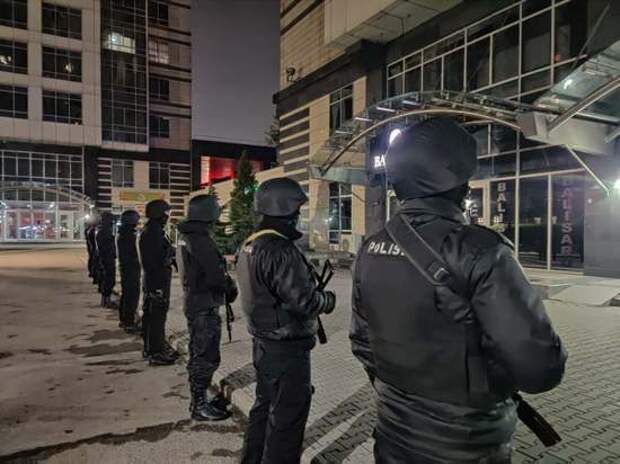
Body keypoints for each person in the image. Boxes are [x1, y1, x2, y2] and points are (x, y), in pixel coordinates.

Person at [350, 117, 567, 463]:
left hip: (393, 436)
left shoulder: (369, 249)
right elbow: (540, 368)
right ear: (460, 186)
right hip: (466, 445)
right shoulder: (480, 251)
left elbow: (362, 343)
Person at [237, 177, 337, 464]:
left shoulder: (251, 243)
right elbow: (305, 302)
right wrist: (327, 300)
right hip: (286, 348)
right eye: (296, 209)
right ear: (285, 209)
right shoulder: (280, 249)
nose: (298, 216)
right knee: (287, 420)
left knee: (263, 409)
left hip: (263, 343)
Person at [177, 194, 238, 421]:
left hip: (196, 302)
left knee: (199, 353)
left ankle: (199, 399)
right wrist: (229, 288)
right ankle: (199, 405)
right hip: (204, 305)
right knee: (205, 356)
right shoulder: (199, 239)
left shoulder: (189, 236)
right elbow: (214, 276)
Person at [139, 199, 177, 366]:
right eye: (165, 213)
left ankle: (152, 348)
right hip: (157, 282)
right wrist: (170, 256)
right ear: (158, 214)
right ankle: (156, 353)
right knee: (156, 318)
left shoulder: (153, 231)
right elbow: (156, 260)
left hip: (153, 281)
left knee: (151, 316)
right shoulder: (153, 234)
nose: (167, 217)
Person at [117, 209, 141, 334]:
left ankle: (124, 319)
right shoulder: (129, 235)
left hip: (126, 268)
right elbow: (133, 254)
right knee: (131, 296)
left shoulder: (123, 233)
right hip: (131, 269)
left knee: (126, 294)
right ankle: (129, 323)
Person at [95, 211, 116, 308]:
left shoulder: (103, 231)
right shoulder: (105, 232)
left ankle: (105, 300)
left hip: (105, 258)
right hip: (107, 258)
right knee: (109, 279)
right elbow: (107, 247)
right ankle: (106, 300)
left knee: (107, 279)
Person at [86, 214, 99, 286]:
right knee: (95, 262)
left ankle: (93, 273)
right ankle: (94, 275)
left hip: (92, 248)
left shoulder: (89, 230)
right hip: (93, 248)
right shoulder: (92, 231)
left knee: (92, 260)